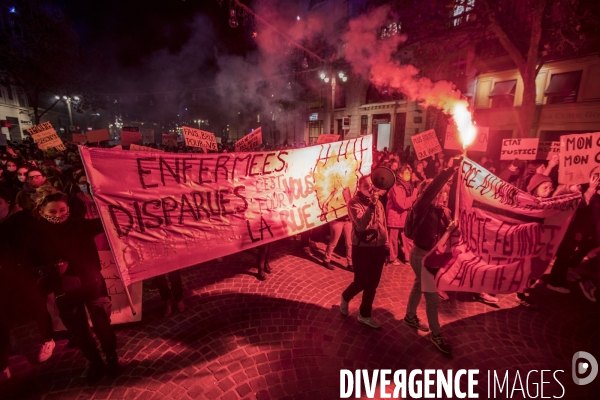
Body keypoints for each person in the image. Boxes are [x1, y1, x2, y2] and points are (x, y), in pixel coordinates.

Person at [28, 187, 119, 384]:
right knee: (79, 332)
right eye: (52, 212)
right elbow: (31, 267)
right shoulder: (37, 236)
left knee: (103, 326)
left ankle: (112, 357)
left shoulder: (81, 226)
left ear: (68, 208)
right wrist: (54, 270)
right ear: (41, 212)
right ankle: (95, 362)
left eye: (62, 210)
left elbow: (109, 220)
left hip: (93, 285)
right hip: (65, 293)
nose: (58, 215)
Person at [403, 159, 459, 355]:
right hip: (420, 256)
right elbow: (433, 188)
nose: (444, 195)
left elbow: (448, 233)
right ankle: (437, 334)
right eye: (441, 192)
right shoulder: (422, 207)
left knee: (419, 284)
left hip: (431, 257)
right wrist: (449, 170)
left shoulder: (442, 211)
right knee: (432, 297)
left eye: (445, 192)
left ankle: (410, 316)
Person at [0, 188, 55, 364]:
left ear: (8, 203)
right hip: (7, 273)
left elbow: (37, 248)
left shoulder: (23, 220)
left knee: (37, 306)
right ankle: (6, 348)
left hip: (26, 273)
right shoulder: (4, 222)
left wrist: (39, 270)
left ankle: (47, 339)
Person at [340, 175, 388, 329]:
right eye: (365, 185)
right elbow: (361, 225)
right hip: (362, 249)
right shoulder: (353, 202)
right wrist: (372, 206)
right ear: (359, 187)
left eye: (371, 184)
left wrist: (385, 244)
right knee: (361, 281)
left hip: (378, 248)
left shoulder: (378, 202)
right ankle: (346, 296)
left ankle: (364, 315)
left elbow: (383, 224)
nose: (369, 187)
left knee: (372, 284)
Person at [386, 164, 416, 265]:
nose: (409, 175)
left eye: (409, 173)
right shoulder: (397, 186)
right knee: (393, 239)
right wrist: (413, 197)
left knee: (407, 238)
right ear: (400, 174)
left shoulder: (408, 186)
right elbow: (401, 204)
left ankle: (408, 258)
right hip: (395, 215)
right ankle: (392, 257)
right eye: (407, 173)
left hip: (404, 216)